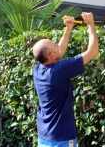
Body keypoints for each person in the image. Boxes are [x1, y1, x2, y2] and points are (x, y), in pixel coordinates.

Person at [32, 12, 99, 147]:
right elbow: (93, 52)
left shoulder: (38, 69)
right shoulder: (59, 70)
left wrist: (68, 28)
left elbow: (59, 52)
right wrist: (91, 25)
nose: (58, 46)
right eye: (55, 45)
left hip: (44, 135)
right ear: (51, 55)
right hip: (61, 138)